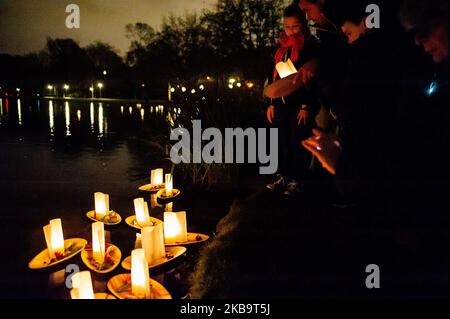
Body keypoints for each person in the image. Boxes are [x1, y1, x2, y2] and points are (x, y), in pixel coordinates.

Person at [265, 5, 320, 196]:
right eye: (287, 26)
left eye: (295, 26)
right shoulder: (281, 50)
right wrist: (272, 103)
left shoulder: (309, 47)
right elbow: (275, 79)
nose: (291, 30)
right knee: (282, 142)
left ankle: (298, 179)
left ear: (304, 25)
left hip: (299, 106)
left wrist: (306, 105)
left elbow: (311, 80)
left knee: (299, 142)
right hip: (282, 105)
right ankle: (284, 176)